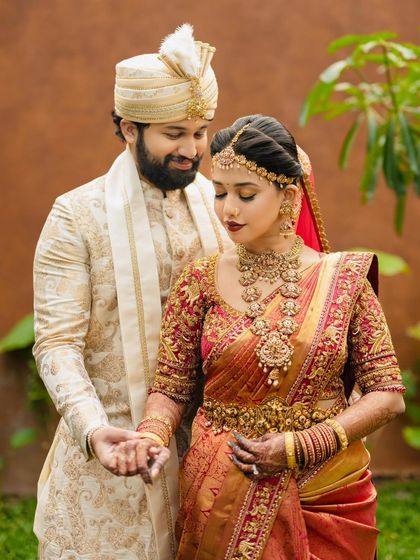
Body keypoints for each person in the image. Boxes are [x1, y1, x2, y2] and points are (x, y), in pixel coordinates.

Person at [131, 115, 406, 559]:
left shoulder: (345, 279)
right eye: (219, 193)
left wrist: (300, 446)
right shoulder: (198, 281)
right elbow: (171, 388)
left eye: (246, 194)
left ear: (288, 195)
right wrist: (150, 435)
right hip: (221, 486)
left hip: (327, 486)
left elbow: (388, 395)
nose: (228, 210)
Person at [32, 24, 229, 559]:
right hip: (109, 462)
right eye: (174, 134)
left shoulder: (223, 205)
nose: (192, 150)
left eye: (201, 131)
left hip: (206, 458)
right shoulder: (77, 216)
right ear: (127, 129)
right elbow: (56, 343)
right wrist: (94, 430)